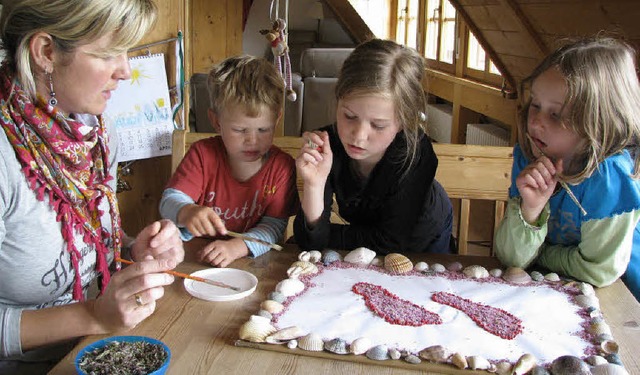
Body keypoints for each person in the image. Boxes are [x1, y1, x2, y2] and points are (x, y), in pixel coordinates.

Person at [0, 1, 185, 373]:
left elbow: (87, 244)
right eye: (107, 54)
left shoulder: (95, 133)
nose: (125, 71)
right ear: (46, 52)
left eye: (127, 51)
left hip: (99, 347)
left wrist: (133, 249)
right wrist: (94, 317)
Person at [494, 37, 640, 301]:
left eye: (556, 114)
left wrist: (541, 253)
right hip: (549, 291)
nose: (536, 121)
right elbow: (510, 258)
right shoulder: (529, 157)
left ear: (599, 123)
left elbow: (597, 270)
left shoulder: (609, 177)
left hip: (618, 298)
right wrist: (530, 210)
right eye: (535, 105)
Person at [293, 39, 454, 254]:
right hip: (370, 238)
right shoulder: (328, 145)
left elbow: (392, 243)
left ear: (403, 122)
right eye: (349, 116)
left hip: (425, 237)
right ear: (338, 102)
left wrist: (327, 236)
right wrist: (314, 184)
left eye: (378, 125)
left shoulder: (417, 154)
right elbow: (310, 242)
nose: (358, 137)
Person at [159, 55, 299, 268]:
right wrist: (186, 211)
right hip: (195, 259)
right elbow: (169, 201)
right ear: (216, 122)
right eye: (240, 130)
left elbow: (274, 227)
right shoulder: (203, 155)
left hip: (254, 262)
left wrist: (236, 247)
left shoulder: (281, 167)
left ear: (276, 119)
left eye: (263, 129)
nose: (252, 140)